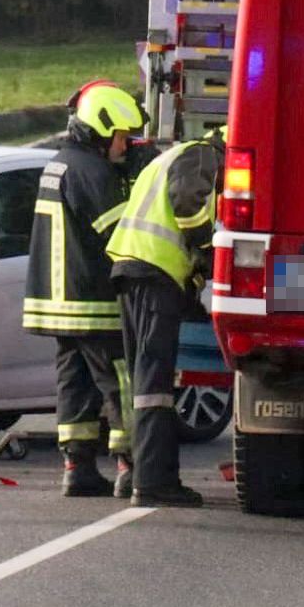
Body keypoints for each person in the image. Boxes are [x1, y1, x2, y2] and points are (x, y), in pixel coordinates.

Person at [25, 81, 146, 498]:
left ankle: (77, 467)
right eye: (122, 137)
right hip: (92, 300)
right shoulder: (92, 172)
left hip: (57, 303)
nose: (126, 147)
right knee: (120, 381)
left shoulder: (59, 162)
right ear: (101, 127)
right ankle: (131, 464)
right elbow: (117, 234)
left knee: (73, 382)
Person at [105, 124, 226, 508]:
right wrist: (208, 250)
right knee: (155, 383)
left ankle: (140, 474)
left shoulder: (170, 156)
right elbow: (187, 202)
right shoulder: (203, 155)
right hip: (153, 273)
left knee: (146, 378)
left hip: (135, 270)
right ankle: (154, 482)